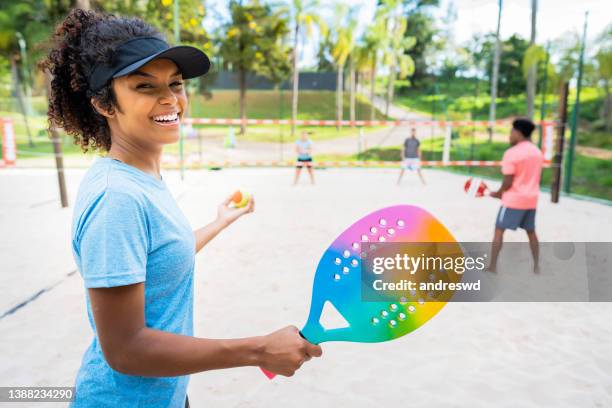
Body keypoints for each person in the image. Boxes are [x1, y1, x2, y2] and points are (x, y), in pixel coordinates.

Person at [41, 10, 321, 408]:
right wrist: (258, 350)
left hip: (166, 394)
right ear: (104, 105)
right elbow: (125, 349)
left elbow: (157, 259)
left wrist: (219, 223)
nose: (170, 98)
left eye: (175, 83)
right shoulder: (116, 197)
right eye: (144, 86)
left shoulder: (141, 178)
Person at [488, 118, 543, 273]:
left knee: (499, 230)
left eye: (511, 132)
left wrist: (497, 193)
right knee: (531, 232)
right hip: (531, 200)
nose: (509, 135)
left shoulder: (511, 153)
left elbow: (508, 182)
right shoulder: (537, 152)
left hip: (513, 200)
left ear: (518, 133)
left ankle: (492, 266)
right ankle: (536, 266)